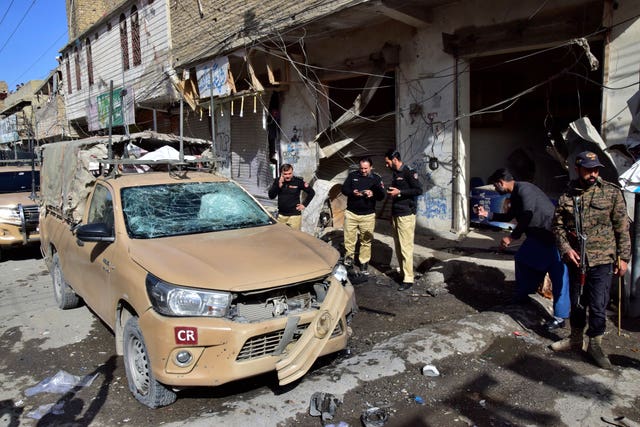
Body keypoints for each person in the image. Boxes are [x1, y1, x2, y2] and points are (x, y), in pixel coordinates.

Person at [551, 151, 630, 369]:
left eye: (596, 170)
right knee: (577, 303)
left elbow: (622, 229)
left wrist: (624, 258)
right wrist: (566, 249)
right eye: (588, 170)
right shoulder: (567, 195)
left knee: (597, 305)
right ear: (578, 169)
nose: (593, 174)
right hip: (577, 261)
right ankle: (576, 339)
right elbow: (557, 227)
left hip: (603, 260)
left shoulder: (611, 193)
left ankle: (595, 345)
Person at [476, 168, 570, 331]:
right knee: (523, 260)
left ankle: (560, 317)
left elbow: (527, 215)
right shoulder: (515, 194)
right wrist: (487, 214)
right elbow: (508, 216)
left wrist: (512, 237)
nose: (496, 189)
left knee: (558, 274)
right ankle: (523, 295)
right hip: (537, 236)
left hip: (551, 236)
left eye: (495, 185)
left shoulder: (525, 189)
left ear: (501, 182)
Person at [384, 150, 422, 291]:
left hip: (406, 215)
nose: (386, 166)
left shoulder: (408, 172)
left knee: (406, 247)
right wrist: (390, 214)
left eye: (387, 162)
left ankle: (408, 279)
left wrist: (400, 192)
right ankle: (402, 273)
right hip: (396, 214)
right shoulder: (395, 173)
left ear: (394, 159)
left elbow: (418, 190)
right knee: (398, 246)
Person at [341, 156, 386, 274]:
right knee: (349, 240)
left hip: (368, 215)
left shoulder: (376, 179)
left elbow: (382, 196)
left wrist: (373, 193)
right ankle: (348, 263)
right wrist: (352, 192)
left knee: (366, 241)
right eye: (361, 168)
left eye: (366, 168)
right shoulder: (352, 176)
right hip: (351, 214)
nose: (363, 171)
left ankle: (364, 264)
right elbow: (344, 189)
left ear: (371, 167)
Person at [268, 163, 315, 230]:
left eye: (289, 173)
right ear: (281, 173)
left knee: (294, 237)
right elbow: (271, 196)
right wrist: (278, 185)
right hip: (281, 215)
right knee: (281, 237)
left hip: (294, 216)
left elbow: (311, 192)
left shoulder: (298, 181)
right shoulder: (277, 181)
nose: (288, 176)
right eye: (285, 174)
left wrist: (304, 205)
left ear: (292, 172)